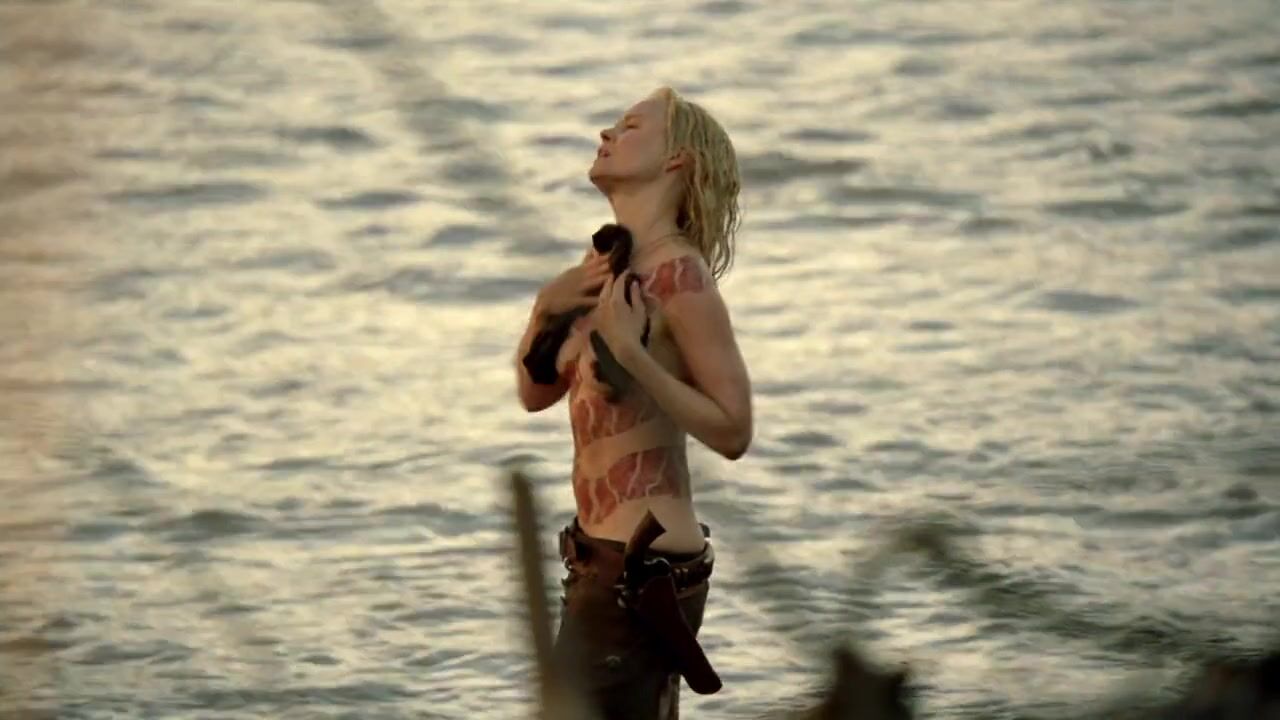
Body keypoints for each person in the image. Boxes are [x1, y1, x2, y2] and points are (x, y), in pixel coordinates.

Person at [513, 86, 752, 719]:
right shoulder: (605, 267)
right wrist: (547, 305)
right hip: (597, 564)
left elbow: (734, 431)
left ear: (676, 159)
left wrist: (633, 353)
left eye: (629, 126)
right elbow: (535, 394)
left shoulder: (682, 279)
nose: (606, 134)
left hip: (642, 570)